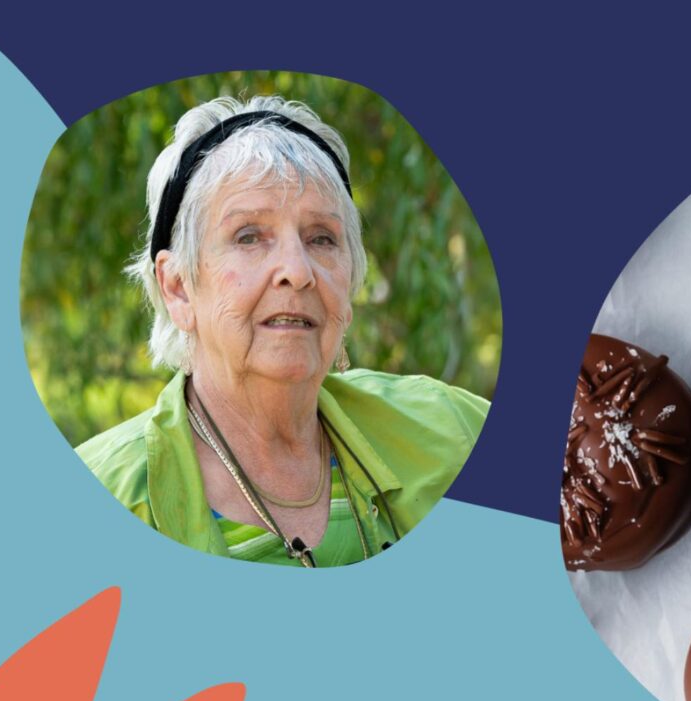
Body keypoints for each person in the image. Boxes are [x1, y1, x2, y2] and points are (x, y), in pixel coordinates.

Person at [77, 95, 489, 566]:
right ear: (178, 289)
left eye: (322, 239)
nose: (297, 269)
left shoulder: (451, 432)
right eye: (249, 237)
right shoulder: (95, 499)